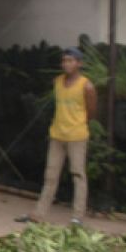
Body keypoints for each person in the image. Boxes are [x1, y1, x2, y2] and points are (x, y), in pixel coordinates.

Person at [16, 47, 97, 226]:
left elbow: (91, 112)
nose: (66, 64)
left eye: (70, 60)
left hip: (77, 136)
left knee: (78, 175)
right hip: (57, 135)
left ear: (79, 63)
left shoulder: (87, 86)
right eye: (64, 61)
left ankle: (77, 217)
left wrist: (79, 124)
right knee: (51, 176)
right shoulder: (58, 81)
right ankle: (38, 214)